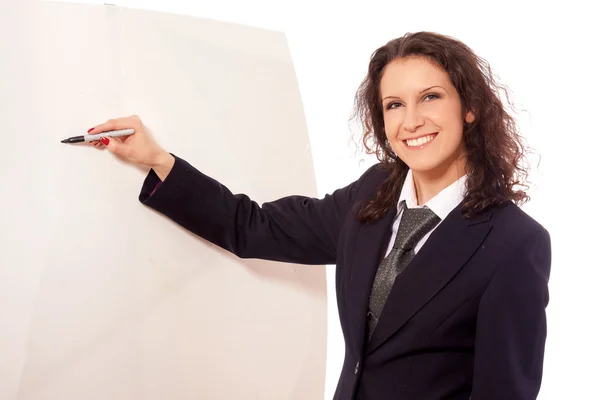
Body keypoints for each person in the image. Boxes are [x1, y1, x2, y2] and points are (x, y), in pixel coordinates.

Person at [87, 31, 551, 400]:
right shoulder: (373, 194)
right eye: (394, 105)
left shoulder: (513, 243)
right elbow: (255, 228)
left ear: (469, 109)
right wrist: (158, 161)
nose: (411, 121)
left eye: (430, 97)